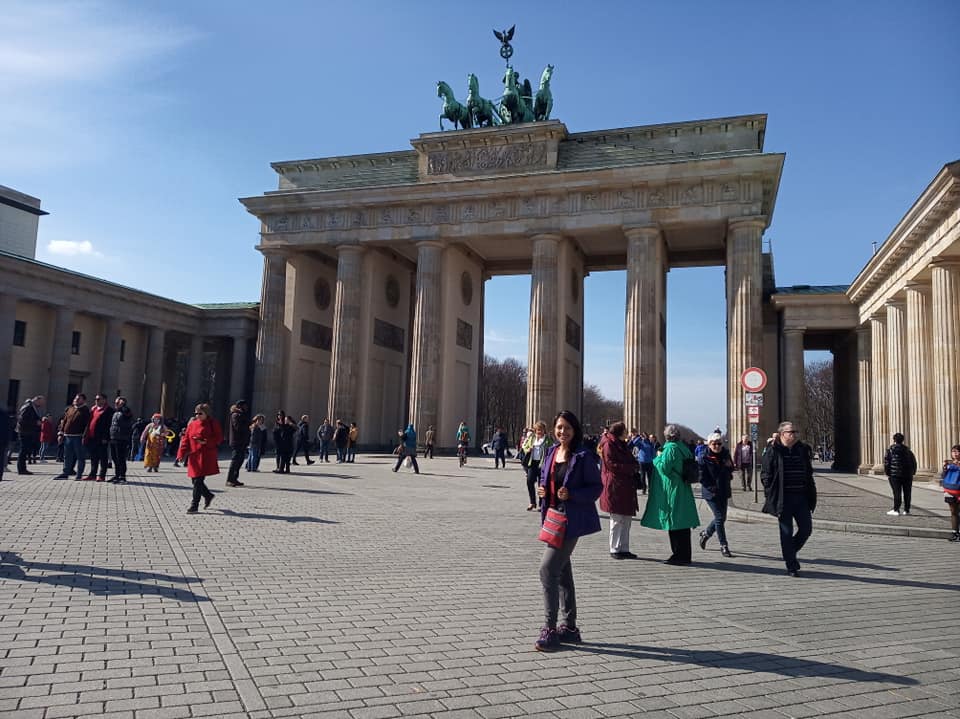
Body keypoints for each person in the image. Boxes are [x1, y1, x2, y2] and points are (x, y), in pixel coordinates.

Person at [534, 410, 602, 651]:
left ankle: (550, 629)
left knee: (547, 569)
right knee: (561, 572)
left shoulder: (584, 456)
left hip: (571, 520)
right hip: (553, 516)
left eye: (567, 428)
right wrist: (544, 491)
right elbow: (547, 479)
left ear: (575, 431)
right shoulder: (552, 452)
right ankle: (570, 628)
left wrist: (573, 494)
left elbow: (596, 488)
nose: (562, 432)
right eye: (559, 427)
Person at [761, 420, 817, 577]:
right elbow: (766, 474)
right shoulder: (773, 451)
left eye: (795, 432)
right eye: (790, 432)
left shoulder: (803, 450)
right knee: (786, 532)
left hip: (801, 498)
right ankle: (791, 565)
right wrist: (769, 493)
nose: (794, 434)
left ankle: (788, 551)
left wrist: (811, 492)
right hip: (783, 499)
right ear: (781, 434)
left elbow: (808, 472)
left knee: (806, 529)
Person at [640, 424, 700, 565]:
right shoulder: (683, 447)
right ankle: (685, 554)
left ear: (667, 436)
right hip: (683, 488)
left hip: (673, 489)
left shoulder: (670, 449)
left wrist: (657, 458)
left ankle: (678, 555)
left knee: (674, 522)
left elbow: (664, 468)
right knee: (683, 523)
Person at [599, 422, 639, 559]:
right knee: (616, 519)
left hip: (626, 485)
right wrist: (629, 468)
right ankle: (614, 548)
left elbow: (632, 460)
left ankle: (624, 548)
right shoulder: (608, 444)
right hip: (615, 485)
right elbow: (611, 464)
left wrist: (634, 466)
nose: (627, 432)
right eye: (625, 430)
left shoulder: (622, 444)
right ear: (619, 432)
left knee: (627, 519)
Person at [177, 403, 222, 514]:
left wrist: (206, 441)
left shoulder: (213, 423)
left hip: (206, 455)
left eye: (200, 413)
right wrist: (181, 454)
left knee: (198, 481)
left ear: (206, 413)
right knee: (195, 480)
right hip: (194, 456)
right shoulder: (192, 424)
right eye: (196, 413)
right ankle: (208, 495)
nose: (197, 415)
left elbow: (219, 438)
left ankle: (194, 505)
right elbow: (186, 440)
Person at [697, 432, 735, 557]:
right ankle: (724, 545)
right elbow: (702, 477)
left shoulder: (725, 454)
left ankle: (706, 533)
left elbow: (731, 468)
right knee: (719, 518)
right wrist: (711, 488)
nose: (717, 446)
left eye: (719, 443)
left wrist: (729, 469)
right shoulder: (704, 457)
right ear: (709, 444)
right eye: (714, 444)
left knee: (722, 518)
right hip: (711, 493)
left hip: (724, 490)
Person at [54, 394, 91, 480]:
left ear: (84, 401)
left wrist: (84, 436)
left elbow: (87, 425)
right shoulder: (70, 409)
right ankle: (65, 472)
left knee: (80, 456)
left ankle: (79, 474)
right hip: (67, 436)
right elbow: (64, 422)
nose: (76, 400)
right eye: (75, 398)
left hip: (78, 437)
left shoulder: (85, 411)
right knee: (67, 456)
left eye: (79, 399)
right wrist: (60, 434)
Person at [883, 432, 918, 516]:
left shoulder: (890, 450)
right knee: (907, 492)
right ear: (903, 440)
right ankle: (907, 510)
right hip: (907, 475)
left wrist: (888, 473)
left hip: (894, 475)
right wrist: (912, 472)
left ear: (894, 440)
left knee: (897, 492)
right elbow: (914, 462)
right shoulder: (908, 450)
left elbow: (887, 463)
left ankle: (896, 509)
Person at [522, 421, 552, 511]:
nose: (539, 432)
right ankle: (532, 502)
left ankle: (541, 503)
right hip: (532, 463)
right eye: (537, 430)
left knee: (541, 484)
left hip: (542, 464)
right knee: (529, 481)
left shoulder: (547, 439)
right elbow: (524, 446)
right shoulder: (532, 438)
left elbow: (552, 449)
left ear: (544, 430)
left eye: (541, 430)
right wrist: (528, 449)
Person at [15, 395, 44, 475]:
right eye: (41, 402)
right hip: (25, 432)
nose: (41, 405)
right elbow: (22, 420)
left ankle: (23, 468)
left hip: (28, 432)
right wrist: (35, 422)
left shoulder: (32, 407)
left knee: (25, 450)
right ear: (37, 400)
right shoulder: (28, 407)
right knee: (23, 450)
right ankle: (21, 469)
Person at [108, 396, 134, 483]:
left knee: (121, 458)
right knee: (115, 458)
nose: (115, 404)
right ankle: (117, 475)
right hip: (113, 437)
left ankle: (122, 476)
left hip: (122, 438)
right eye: (115, 403)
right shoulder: (115, 413)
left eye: (117, 403)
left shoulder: (125, 412)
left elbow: (128, 414)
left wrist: (123, 406)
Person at [226, 400, 250, 486]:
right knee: (235, 460)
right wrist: (248, 427)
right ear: (240, 406)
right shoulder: (235, 415)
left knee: (240, 460)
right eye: (245, 405)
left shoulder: (241, 415)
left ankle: (234, 478)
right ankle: (229, 479)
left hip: (242, 441)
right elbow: (238, 427)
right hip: (237, 441)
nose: (246, 407)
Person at [941, 444, 960, 542]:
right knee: (953, 512)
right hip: (950, 490)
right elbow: (943, 476)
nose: (955, 454)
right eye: (953, 452)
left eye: (957, 451)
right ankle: (954, 532)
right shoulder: (949, 464)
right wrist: (944, 468)